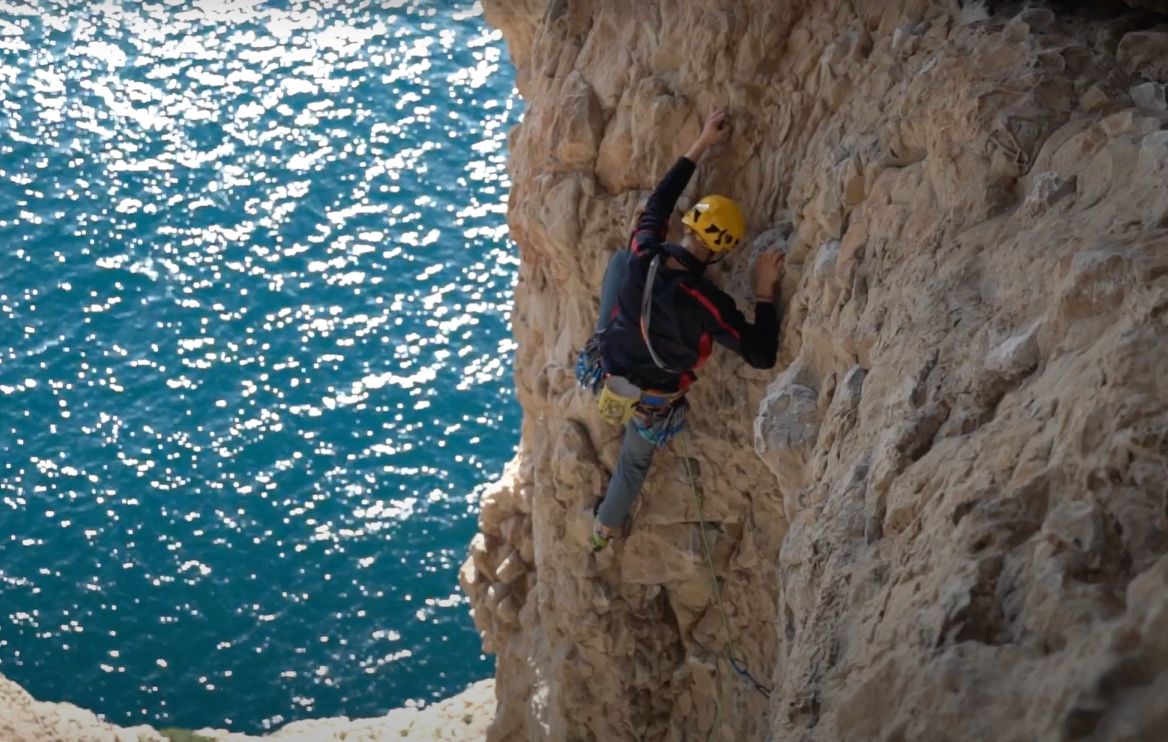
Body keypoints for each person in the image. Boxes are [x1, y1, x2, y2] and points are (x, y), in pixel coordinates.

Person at [579, 109, 784, 552]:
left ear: (688, 225)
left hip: (607, 367)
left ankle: (609, 375)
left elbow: (659, 201)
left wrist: (703, 142)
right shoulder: (708, 302)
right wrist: (764, 294)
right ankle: (604, 531)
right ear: (720, 253)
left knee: (617, 263)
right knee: (633, 463)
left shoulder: (643, 252)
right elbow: (761, 354)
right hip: (653, 399)